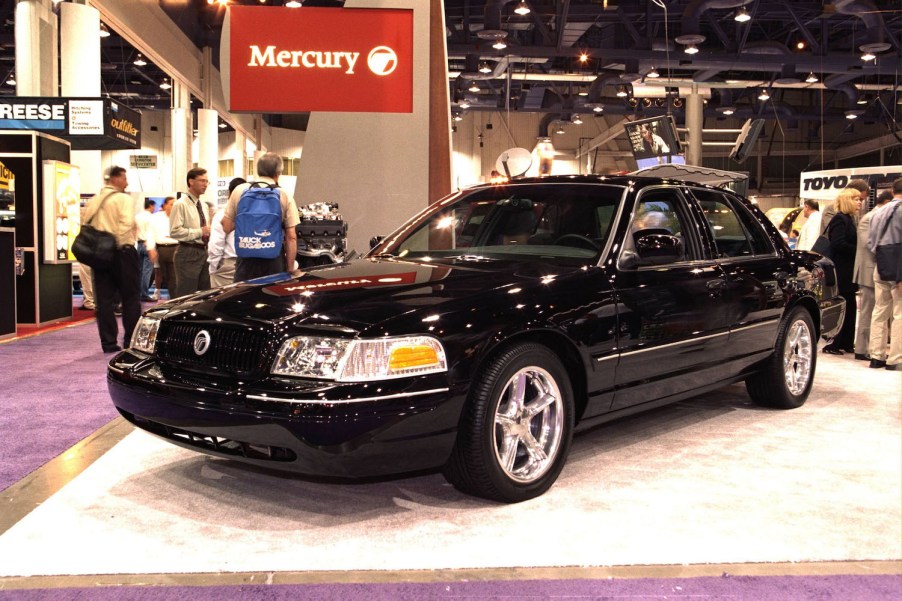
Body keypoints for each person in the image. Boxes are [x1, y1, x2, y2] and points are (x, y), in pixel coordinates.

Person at [81, 166, 141, 353]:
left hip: (99, 254)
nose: (127, 183)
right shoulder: (123, 199)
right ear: (116, 178)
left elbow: (85, 224)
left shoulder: (94, 200)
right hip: (121, 252)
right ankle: (130, 340)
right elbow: (125, 224)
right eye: (125, 178)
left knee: (104, 301)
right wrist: (120, 245)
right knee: (131, 298)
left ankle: (108, 343)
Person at [222, 153, 299, 282]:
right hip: (274, 262)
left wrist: (247, 222)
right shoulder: (284, 194)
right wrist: (290, 267)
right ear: (278, 172)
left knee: (245, 293)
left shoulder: (239, 190)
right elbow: (291, 237)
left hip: (246, 261)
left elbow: (226, 226)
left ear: (258, 170)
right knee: (272, 294)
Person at [852, 190, 893, 361]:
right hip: (869, 270)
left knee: (876, 311)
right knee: (868, 311)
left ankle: (870, 347)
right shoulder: (869, 218)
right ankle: (862, 349)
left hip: (878, 269)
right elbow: (870, 245)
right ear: (887, 202)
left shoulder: (877, 217)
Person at [867, 178, 902, 371]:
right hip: (898, 268)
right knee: (899, 313)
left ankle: (876, 356)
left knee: (879, 311)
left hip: (880, 266)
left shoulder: (878, 212)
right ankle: (895, 359)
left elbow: (871, 243)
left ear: (893, 190)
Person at [822, 188, 862, 355]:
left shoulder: (849, 219)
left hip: (847, 269)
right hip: (840, 270)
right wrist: (858, 250)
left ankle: (846, 342)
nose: (859, 202)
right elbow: (838, 243)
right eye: (856, 199)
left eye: (859, 199)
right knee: (842, 306)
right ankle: (834, 343)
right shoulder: (840, 219)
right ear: (847, 201)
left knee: (850, 305)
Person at [169, 168, 211, 298]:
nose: (205, 184)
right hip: (188, 252)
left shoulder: (203, 205)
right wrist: (200, 232)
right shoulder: (180, 204)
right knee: (187, 295)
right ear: (191, 182)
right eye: (202, 181)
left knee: (204, 295)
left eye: (207, 181)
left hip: (204, 251)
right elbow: (174, 231)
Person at [208, 178, 244, 287]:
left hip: (227, 265)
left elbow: (216, 244)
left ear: (229, 193)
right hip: (248, 264)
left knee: (222, 297)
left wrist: (213, 267)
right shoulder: (253, 214)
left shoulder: (222, 214)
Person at [149, 196, 177, 301]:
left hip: (176, 248)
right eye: (171, 204)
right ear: (165, 205)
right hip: (161, 249)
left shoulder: (179, 217)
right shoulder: (156, 217)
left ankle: (174, 299)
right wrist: (151, 248)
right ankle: (160, 292)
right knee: (160, 273)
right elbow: (150, 234)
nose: (173, 206)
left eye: (175, 204)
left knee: (174, 277)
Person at [134, 198, 157, 301]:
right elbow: (151, 233)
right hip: (148, 244)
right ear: (151, 206)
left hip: (138, 244)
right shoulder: (151, 217)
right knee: (147, 271)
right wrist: (151, 247)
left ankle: (137, 293)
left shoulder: (137, 217)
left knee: (138, 271)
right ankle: (144, 294)